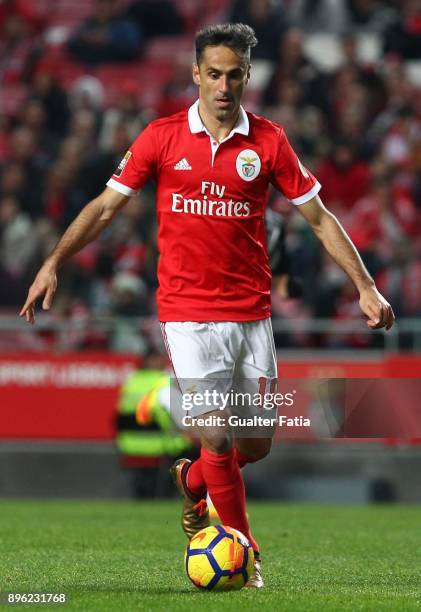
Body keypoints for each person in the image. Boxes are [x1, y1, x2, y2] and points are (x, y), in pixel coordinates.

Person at [20, 23, 395, 588]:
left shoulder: (268, 141)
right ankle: (246, 556)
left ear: (247, 75)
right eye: (213, 73)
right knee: (215, 434)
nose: (223, 85)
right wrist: (53, 261)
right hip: (187, 313)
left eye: (234, 74)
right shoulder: (162, 137)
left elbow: (317, 217)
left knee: (254, 444)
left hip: (251, 316)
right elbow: (103, 208)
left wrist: (364, 285)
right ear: (195, 73)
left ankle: (194, 481)